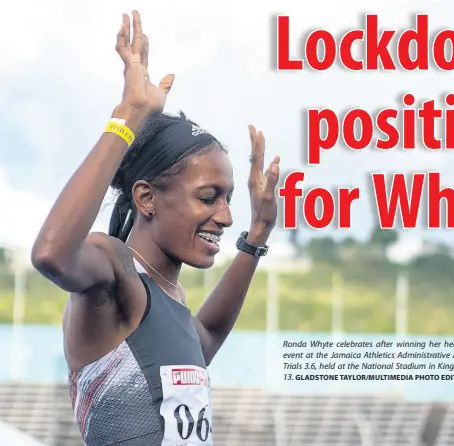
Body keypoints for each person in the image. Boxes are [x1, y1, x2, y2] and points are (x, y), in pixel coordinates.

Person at [31, 10, 280, 446]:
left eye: (228, 199)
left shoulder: (168, 300)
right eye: (209, 197)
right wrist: (129, 115)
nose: (224, 216)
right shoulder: (114, 268)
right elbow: (51, 253)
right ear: (146, 198)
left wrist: (255, 238)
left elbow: (204, 338)